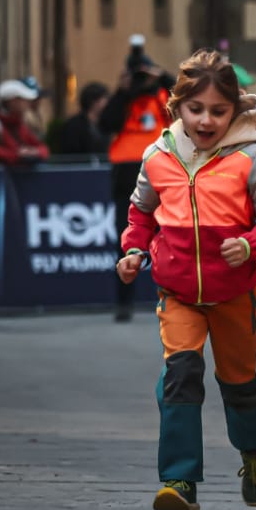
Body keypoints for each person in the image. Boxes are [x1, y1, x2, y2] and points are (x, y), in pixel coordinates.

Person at [116, 49, 256, 510]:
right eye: (196, 109)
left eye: (219, 110)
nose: (207, 120)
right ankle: (179, 481)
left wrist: (251, 244)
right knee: (180, 376)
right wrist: (134, 250)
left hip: (234, 293)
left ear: (234, 110)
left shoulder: (250, 157)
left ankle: (255, 453)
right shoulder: (158, 156)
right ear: (178, 108)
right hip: (177, 293)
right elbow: (141, 213)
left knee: (239, 384)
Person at [101, 37, 175, 322]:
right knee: (128, 241)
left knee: (170, 240)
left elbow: (188, 102)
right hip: (127, 178)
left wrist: (162, 76)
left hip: (161, 175)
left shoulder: (161, 97)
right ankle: (124, 303)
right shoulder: (124, 100)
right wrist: (122, 92)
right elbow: (105, 123)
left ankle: (174, 299)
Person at [0, 79, 51, 165]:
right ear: (13, 101)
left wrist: (35, 152)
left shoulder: (19, 125)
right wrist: (16, 155)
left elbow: (43, 148)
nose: (28, 103)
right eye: (24, 99)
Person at [54, 81, 110, 159]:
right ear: (93, 102)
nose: (108, 104)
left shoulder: (105, 125)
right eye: (105, 100)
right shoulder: (73, 126)